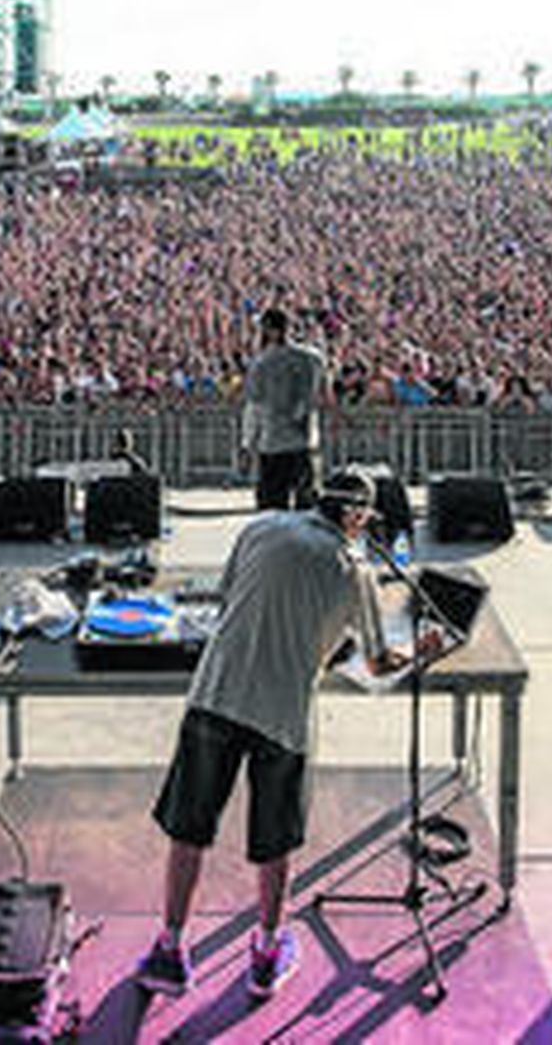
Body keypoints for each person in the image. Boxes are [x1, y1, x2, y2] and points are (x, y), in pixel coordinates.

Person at [135, 467, 443, 998]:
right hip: (282, 715)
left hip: (216, 693)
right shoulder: (358, 571)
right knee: (274, 841)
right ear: (355, 516)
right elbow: (379, 661)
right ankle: (267, 952)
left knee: (190, 829)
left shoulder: (263, 526)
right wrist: (422, 650)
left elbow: (233, 599)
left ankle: (170, 948)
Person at [241, 307, 326, 511]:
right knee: (307, 508)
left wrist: (247, 443)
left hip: (273, 444)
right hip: (304, 443)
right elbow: (319, 394)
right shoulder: (313, 358)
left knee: (272, 509)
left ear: (271, 331)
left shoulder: (261, 364)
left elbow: (255, 409)